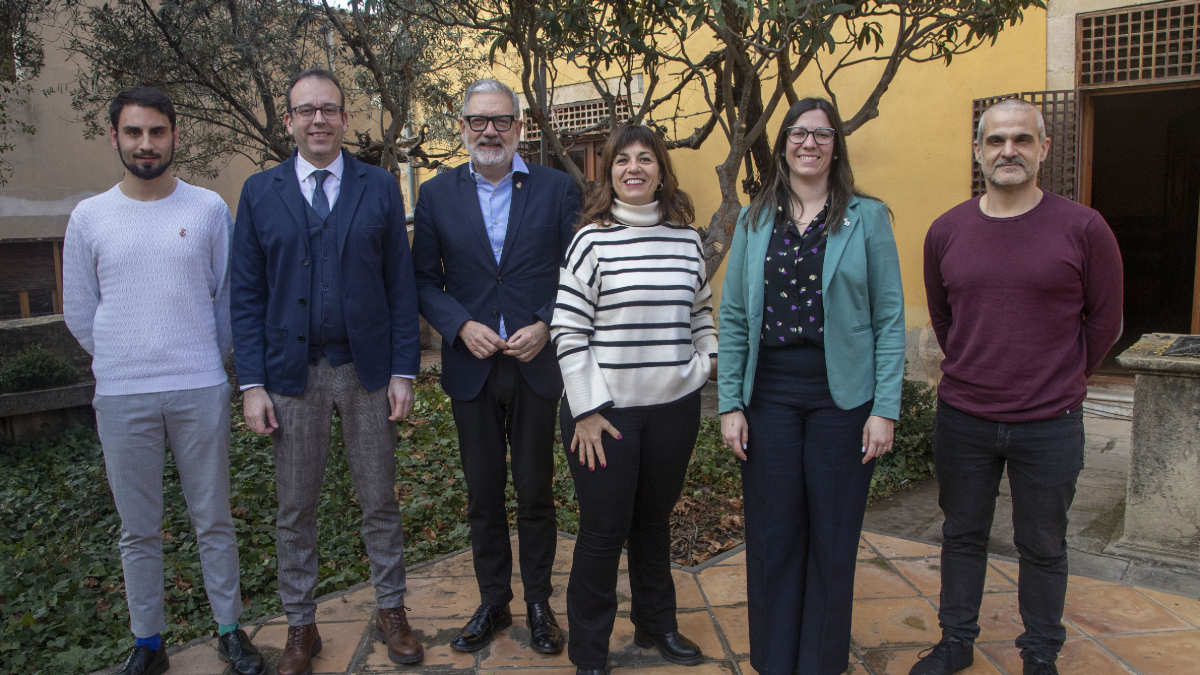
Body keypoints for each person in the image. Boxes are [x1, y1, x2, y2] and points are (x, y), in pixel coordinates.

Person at [912, 98, 1123, 675]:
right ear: (979, 150)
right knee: (961, 536)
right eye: (996, 140)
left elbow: (1105, 319)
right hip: (965, 418)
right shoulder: (947, 230)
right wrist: (973, 364)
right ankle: (955, 641)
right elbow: (942, 313)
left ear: (1044, 148)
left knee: (1044, 544)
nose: (1009, 151)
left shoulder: (1083, 227)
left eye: (1022, 140)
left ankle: (1039, 652)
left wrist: (1067, 376)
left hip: (1049, 423)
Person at [63, 87, 265, 675]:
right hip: (122, 396)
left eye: (156, 132)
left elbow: (230, 300)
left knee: (213, 519)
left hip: (199, 387)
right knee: (138, 530)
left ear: (175, 136)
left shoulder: (206, 210)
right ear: (115, 138)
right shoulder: (89, 217)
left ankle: (229, 631)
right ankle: (148, 643)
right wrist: (126, 358)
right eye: (133, 132)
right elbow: (80, 308)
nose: (145, 143)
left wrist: (200, 356)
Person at [230, 68, 424, 673]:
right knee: (295, 508)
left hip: (366, 373)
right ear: (288, 121)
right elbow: (246, 295)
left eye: (330, 109)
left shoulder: (379, 187)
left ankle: (391, 609)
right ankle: (300, 626)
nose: (319, 119)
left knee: (378, 501)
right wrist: (252, 383)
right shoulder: (261, 193)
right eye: (306, 110)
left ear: (344, 119)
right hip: (292, 376)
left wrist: (403, 370)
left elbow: (401, 285)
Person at [717, 97, 905, 675]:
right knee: (774, 538)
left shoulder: (866, 217)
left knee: (832, 539)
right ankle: (774, 662)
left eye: (822, 135)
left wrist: (885, 408)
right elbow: (734, 318)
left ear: (835, 147)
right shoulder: (754, 219)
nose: (809, 144)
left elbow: (890, 318)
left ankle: (822, 663)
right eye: (798, 133)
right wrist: (730, 403)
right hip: (769, 393)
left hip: (841, 400)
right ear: (783, 145)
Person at [412, 78, 579, 653]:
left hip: (535, 361)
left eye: (501, 121)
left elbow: (576, 271)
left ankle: (537, 602)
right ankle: (493, 601)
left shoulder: (559, 190)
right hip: (472, 365)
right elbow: (423, 281)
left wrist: (547, 321)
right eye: (478, 121)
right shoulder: (435, 196)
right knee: (483, 493)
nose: (489, 131)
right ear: (462, 127)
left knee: (535, 490)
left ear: (519, 128)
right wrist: (458, 325)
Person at [552, 125, 718, 674]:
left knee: (653, 521)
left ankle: (656, 624)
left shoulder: (687, 239)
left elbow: (701, 313)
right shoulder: (591, 240)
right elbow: (568, 331)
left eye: (646, 159)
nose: (634, 168)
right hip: (606, 417)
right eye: (622, 160)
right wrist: (587, 409)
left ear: (662, 171)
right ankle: (590, 653)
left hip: (674, 409)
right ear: (609, 173)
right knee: (603, 532)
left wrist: (704, 363)